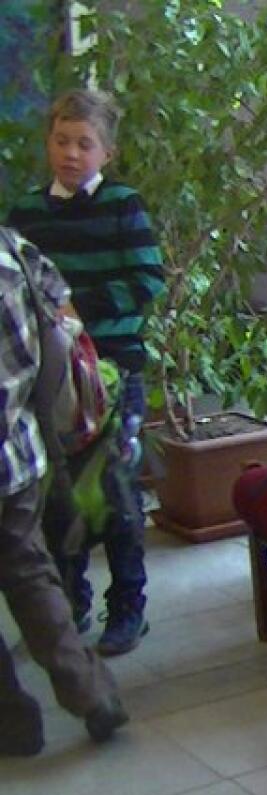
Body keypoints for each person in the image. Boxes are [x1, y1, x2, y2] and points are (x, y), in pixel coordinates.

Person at [7, 89, 164, 655]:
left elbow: (147, 281)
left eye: (84, 144)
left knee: (117, 491)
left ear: (106, 152)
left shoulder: (123, 205)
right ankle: (69, 600)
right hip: (50, 379)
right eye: (61, 141)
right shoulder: (26, 213)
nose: (71, 153)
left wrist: (74, 309)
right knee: (57, 495)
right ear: (48, 144)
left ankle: (128, 607)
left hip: (115, 372)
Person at [0, 227, 128, 756]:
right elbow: (62, 322)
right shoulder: (12, 249)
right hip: (18, 454)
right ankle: (91, 693)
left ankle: (13, 722)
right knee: (31, 574)